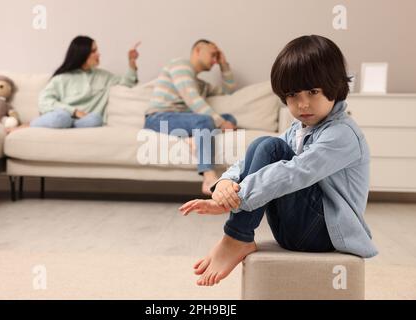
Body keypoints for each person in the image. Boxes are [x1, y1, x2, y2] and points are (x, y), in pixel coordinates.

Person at [179, 35, 378, 287]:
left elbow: (295, 173)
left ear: (335, 86)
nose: (302, 103)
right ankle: (237, 237)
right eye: (293, 94)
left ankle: (236, 237)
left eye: (313, 91)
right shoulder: (300, 127)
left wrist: (235, 201)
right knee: (265, 144)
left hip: (325, 235)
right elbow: (256, 158)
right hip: (293, 231)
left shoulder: (342, 134)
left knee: (272, 149)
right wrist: (226, 184)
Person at [144, 39, 238, 195]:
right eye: (213, 54)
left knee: (229, 117)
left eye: (217, 57)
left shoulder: (202, 85)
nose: (214, 60)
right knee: (207, 120)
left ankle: (193, 137)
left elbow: (229, 92)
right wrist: (221, 123)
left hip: (183, 119)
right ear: (198, 50)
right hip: (158, 118)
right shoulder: (180, 65)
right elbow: (193, 100)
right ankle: (208, 176)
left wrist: (223, 64)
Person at [29, 36, 140, 129]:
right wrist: (74, 111)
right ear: (82, 54)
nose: (98, 54)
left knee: (96, 119)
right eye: (93, 51)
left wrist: (131, 62)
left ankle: (70, 126)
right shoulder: (61, 78)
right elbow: (44, 101)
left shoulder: (103, 76)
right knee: (62, 117)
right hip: (62, 117)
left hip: (83, 122)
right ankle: (34, 124)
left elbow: (127, 83)